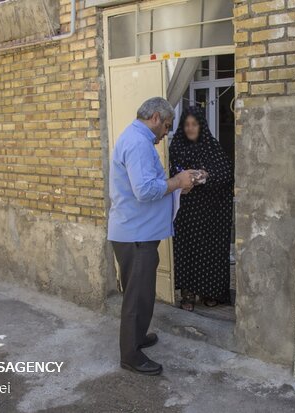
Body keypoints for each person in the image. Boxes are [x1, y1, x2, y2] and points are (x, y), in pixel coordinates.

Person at [108, 97, 199, 376]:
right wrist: (177, 182)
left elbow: (149, 186)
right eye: (167, 126)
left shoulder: (138, 139)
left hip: (138, 232)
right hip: (135, 234)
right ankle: (130, 355)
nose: (166, 134)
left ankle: (136, 339)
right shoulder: (137, 143)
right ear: (156, 118)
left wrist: (176, 188)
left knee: (143, 293)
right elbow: (145, 191)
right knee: (136, 297)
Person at [169, 106, 234, 311]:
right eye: (186, 124)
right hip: (186, 212)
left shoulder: (211, 147)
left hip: (209, 213)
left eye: (194, 124)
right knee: (186, 252)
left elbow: (226, 174)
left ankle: (209, 292)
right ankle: (187, 294)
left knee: (209, 252)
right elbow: (167, 173)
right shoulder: (175, 148)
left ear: (201, 126)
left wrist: (206, 176)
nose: (190, 128)